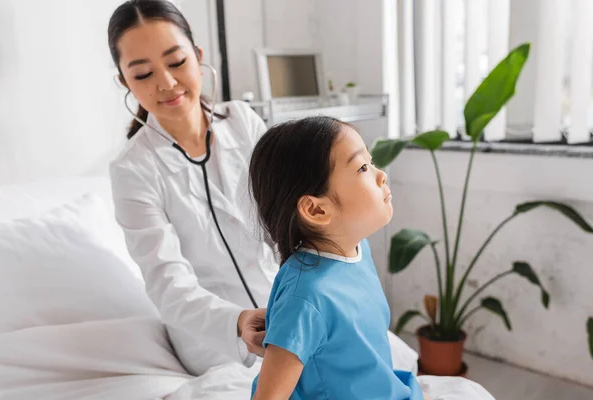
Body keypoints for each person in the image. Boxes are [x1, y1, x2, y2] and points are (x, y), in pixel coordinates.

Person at [107, 0, 276, 375]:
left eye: (176, 62)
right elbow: (168, 284)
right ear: (124, 82)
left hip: (287, 303)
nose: (165, 83)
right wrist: (236, 322)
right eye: (142, 73)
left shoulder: (243, 122)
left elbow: (288, 214)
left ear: (198, 56)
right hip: (216, 340)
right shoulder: (132, 170)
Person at [248, 116, 430, 400]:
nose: (381, 174)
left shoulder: (358, 250)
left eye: (370, 162)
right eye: (363, 168)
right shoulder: (306, 299)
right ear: (316, 210)